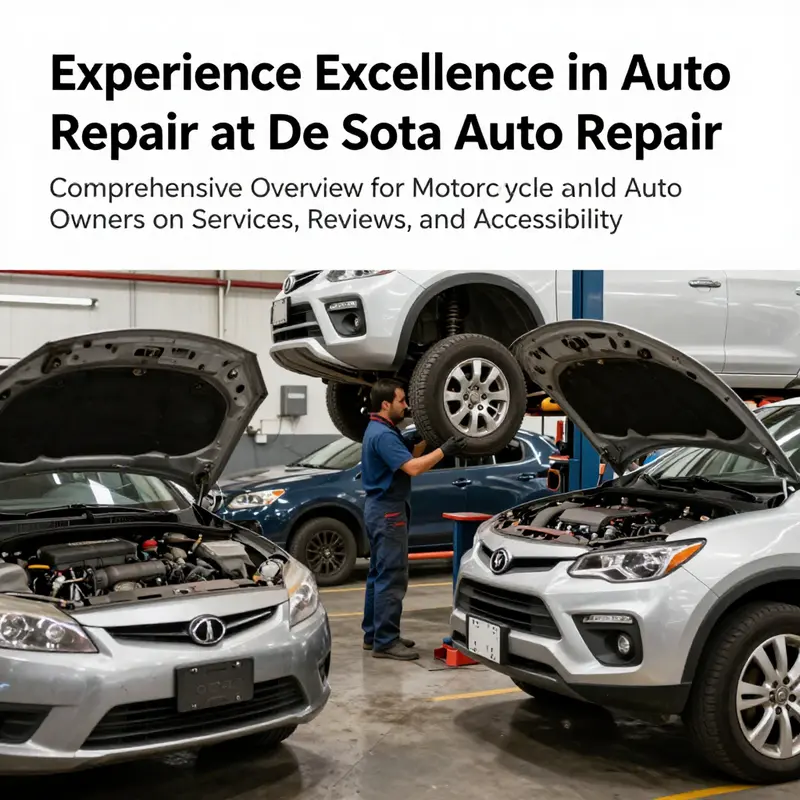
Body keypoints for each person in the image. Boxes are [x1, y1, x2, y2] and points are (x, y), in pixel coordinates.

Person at [360, 378, 466, 660]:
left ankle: (373, 635)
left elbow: (409, 456)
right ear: (386, 404)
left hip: (381, 507)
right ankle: (386, 641)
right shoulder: (383, 435)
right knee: (392, 576)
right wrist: (444, 451)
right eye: (401, 400)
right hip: (388, 511)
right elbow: (413, 468)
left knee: (378, 574)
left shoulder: (381, 429)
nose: (405, 405)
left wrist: (423, 440)